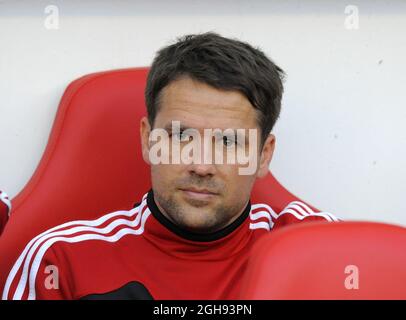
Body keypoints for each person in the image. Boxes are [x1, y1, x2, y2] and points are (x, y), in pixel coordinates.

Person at [3, 33, 338, 300]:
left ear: (263, 156)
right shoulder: (61, 259)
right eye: (180, 137)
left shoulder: (316, 247)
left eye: (228, 142)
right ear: (149, 140)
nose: (202, 165)